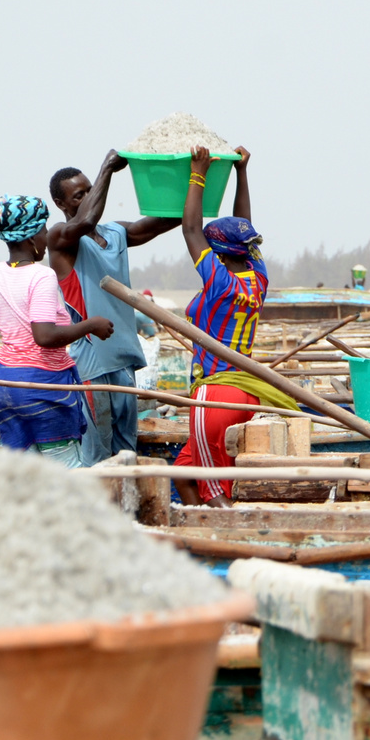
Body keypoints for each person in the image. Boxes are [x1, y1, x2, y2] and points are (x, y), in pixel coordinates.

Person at [172, 145, 296, 507]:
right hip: (245, 393)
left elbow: (190, 228)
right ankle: (201, 538)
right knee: (182, 472)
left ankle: (232, 541)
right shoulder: (257, 277)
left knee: (217, 493)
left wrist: (199, 173)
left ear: (221, 256)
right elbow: (246, 228)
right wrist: (241, 173)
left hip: (216, 393)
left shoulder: (220, 283)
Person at [46, 150, 181, 465]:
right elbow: (87, 220)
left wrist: (194, 182)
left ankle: (126, 514)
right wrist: (107, 168)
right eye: (79, 195)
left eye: (90, 190)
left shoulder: (115, 233)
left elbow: (162, 222)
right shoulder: (60, 239)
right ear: (62, 205)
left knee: (126, 454)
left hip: (123, 362)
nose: (89, 198)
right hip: (92, 367)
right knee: (98, 460)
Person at [0, 196, 111, 467]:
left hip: (3, 387)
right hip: (41, 386)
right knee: (67, 473)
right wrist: (91, 325)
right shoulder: (41, 276)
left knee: (25, 477)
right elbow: (45, 336)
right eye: (43, 231)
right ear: (30, 240)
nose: (46, 236)